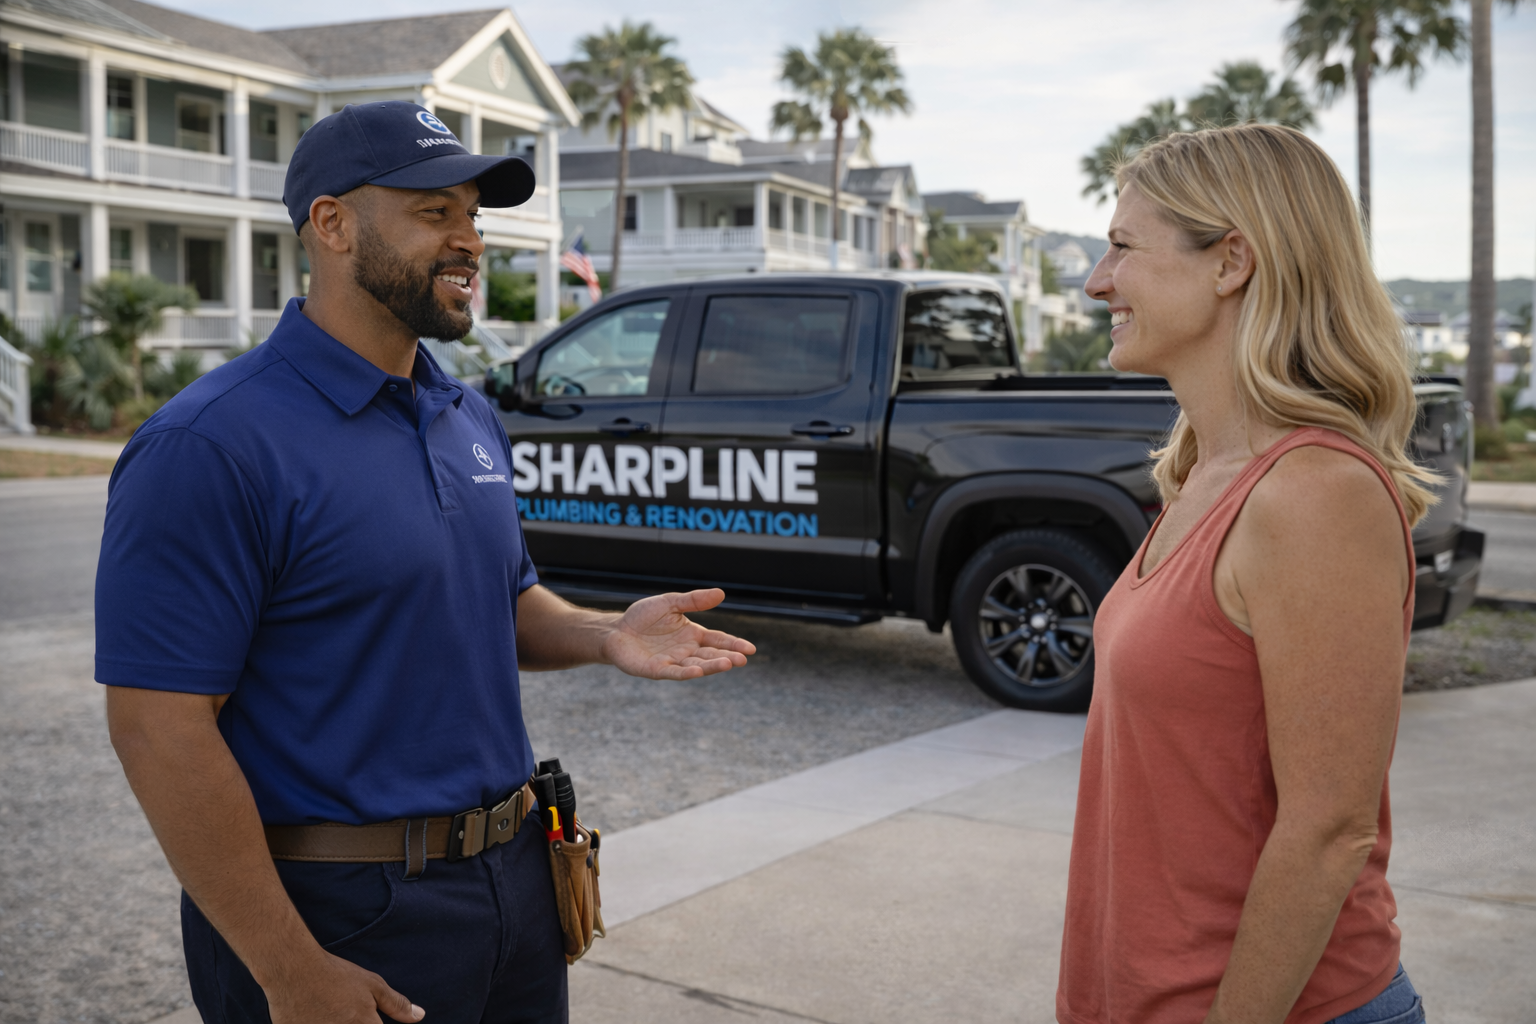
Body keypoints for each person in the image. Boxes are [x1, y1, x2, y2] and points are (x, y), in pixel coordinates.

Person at [97, 101, 755, 1024]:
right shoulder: (209, 445)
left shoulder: (466, 414)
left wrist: (607, 634)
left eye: (473, 216)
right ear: (330, 224)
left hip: (516, 885)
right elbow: (159, 730)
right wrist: (288, 970)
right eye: (432, 211)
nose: (469, 241)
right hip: (339, 911)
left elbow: (502, 598)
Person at [1056, 123, 1434, 1024]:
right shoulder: (1197, 475)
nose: (1096, 282)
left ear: (1231, 262)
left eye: (1120, 248)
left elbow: (1329, 830)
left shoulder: (1315, 494)